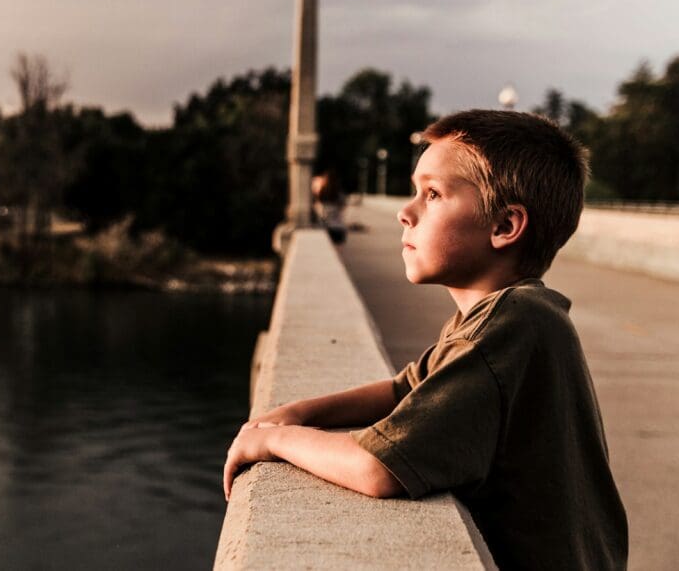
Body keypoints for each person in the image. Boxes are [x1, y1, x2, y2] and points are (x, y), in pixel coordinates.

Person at [223, 110, 628, 570]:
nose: (405, 211)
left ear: (504, 226)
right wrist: (299, 411)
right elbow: (406, 389)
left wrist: (278, 441)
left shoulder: (512, 324)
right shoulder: (504, 313)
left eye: (432, 194)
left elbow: (378, 467)